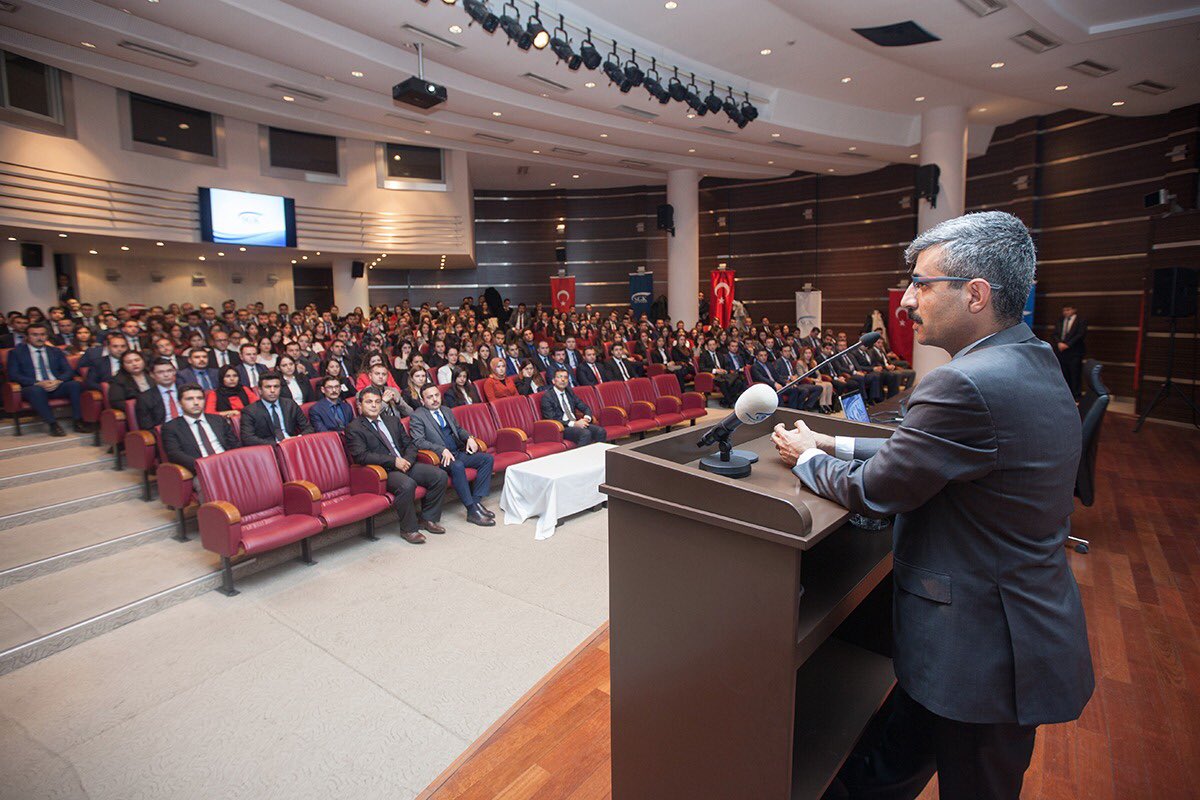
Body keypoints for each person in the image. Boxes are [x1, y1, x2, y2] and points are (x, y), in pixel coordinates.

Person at [772, 211, 1093, 800]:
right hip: (1001, 624)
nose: (907, 301)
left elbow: (879, 489)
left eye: (922, 284)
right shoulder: (1027, 357)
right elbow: (929, 448)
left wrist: (806, 458)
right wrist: (832, 439)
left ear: (975, 294)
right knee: (884, 767)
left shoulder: (963, 383)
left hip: (979, 650)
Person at [344, 385, 447, 544]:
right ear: (359, 405)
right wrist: (394, 462)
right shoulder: (354, 427)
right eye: (369, 402)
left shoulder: (392, 420)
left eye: (377, 402)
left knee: (439, 475)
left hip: (405, 463)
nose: (374, 405)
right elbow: (361, 456)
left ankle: (428, 518)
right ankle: (409, 529)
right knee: (407, 485)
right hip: (383, 472)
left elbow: (410, 444)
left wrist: (407, 460)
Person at [408, 383, 495, 527]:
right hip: (440, 458)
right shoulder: (417, 416)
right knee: (458, 466)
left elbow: (459, 429)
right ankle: (471, 510)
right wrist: (440, 450)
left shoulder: (446, 410)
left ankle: (476, 501)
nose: (435, 399)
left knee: (487, 459)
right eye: (430, 397)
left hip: (457, 452)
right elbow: (418, 441)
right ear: (422, 401)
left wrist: (469, 437)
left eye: (436, 395)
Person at [7, 322, 86, 436]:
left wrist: (58, 381)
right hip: (33, 387)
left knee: (75, 385)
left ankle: (78, 421)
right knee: (36, 391)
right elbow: (14, 375)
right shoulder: (16, 353)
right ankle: (53, 424)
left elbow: (68, 371)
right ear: (27, 337)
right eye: (35, 335)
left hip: (56, 384)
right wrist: (38, 383)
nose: (39, 338)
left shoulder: (55, 351)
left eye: (43, 334)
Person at [161, 384, 240, 472]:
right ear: (179, 403)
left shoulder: (218, 420)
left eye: (200, 398)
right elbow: (175, 454)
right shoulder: (171, 427)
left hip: (228, 464)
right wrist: (202, 466)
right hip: (202, 470)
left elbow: (234, 444)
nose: (196, 402)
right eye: (189, 399)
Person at [239, 372, 313, 445]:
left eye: (276, 386)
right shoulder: (250, 411)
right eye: (268, 387)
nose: (272, 390)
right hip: (269, 449)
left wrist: (297, 438)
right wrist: (278, 444)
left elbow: (308, 428)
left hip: (293, 444)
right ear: (260, 390)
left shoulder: (290, 404)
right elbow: (248, 438)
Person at [540, 367, 607, 447]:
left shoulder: (569, 392)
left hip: (576, 423)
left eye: (565, 377)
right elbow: (551, 419)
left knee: (600, 431)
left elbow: (585, 407)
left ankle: (598, 456)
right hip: (562, 427)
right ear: (553, 381)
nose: (563, 380)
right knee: (585, 433)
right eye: (560, 377)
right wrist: (574, 423)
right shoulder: (547, 397)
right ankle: (580, 459)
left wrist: (587, 418)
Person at [135, 358, 184, 429]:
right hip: (166, 432)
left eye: (169, 371)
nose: (166, 375)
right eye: (160, 372)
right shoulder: (145, 398)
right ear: (152, 375)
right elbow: (146, 426)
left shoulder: (186, 390)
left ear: (174, 372)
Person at [1052, 304, 1087, 399]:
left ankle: (1076, 396)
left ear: (1074, 310)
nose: (1066, 312)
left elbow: (1080, 334)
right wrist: (1059, 343)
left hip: (1074, 351)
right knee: (1063, 373)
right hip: (1061, 351)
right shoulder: (1060, 320)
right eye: (1064, 310)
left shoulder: (1081, 320)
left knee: (1075, 374)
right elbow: (1055, 333)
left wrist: (1067, 344)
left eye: (1068, 310)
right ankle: (1064, 394)